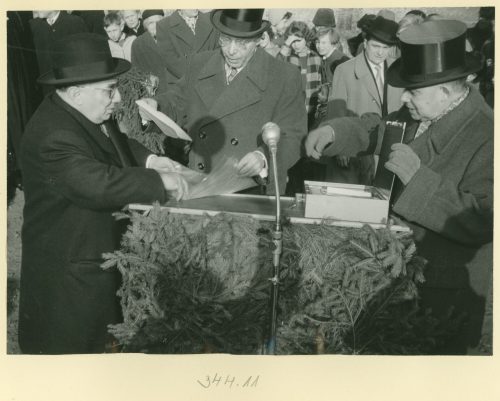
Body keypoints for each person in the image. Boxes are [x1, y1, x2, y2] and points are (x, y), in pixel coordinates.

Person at [306, 20, 493, 354]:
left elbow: (484, 218)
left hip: (441, 297)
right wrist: (336, 132)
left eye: (414, 91)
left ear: (447, 91)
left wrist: (418, 179)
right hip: (392, 280)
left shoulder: (486, 133)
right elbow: (376, 130)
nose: (404, 97)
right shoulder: (419, 113)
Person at [18, 33, 188, 354]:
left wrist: (151, 158)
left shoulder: (87, 110)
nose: (118, 99)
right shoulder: (52, 135)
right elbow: (100, 184)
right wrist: (163, 182)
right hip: (68, 281)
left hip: (94, 255)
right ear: (78, 92)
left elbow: (115, 145)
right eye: (109, 91)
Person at [143, 9, 306, 195]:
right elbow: (178, 100)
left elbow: (294, 135)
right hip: (201, 181)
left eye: (242, 43)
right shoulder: (198, 64)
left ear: (258, 40)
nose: (231, 50)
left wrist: (263, 157)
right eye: (226, 40)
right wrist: (155, 105)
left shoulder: (284, 76)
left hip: (251, 188)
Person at [326, 15, 402, 185]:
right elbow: (336, 111)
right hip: (354, 151)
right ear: (365, 42)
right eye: (375, 46)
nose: (380, 52)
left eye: (385, 47)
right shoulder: (344, 70)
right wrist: (340, 146)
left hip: (387, 151)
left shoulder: (398, 68)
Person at [156, 9, 220, 88]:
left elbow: (219, 51)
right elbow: (171, 61)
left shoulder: (211, 20)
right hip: (182, 84)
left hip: (211, 79)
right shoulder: (164, 26)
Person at [131, 10, 167, 92]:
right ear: (145, 26)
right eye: (151, 23)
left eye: (159, 22)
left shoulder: (173, 38)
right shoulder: (138, 44)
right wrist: (147, 79)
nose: (156, 26)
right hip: (156, 91)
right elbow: (136, 71)